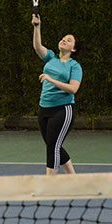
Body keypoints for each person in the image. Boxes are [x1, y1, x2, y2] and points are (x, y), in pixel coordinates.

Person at [31, 14, 82, 175]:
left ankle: (50, 184)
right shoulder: (51, 58)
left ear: (73, 49)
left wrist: (51, 80)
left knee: (52, 146)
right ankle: (74, 178)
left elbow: (73, 89)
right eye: (63, 38)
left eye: (69, 40)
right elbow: (37, 47)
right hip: (44, 108)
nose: (64, 40)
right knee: (53, 145)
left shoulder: (75, 66)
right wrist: (37, 26)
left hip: (63, 110)